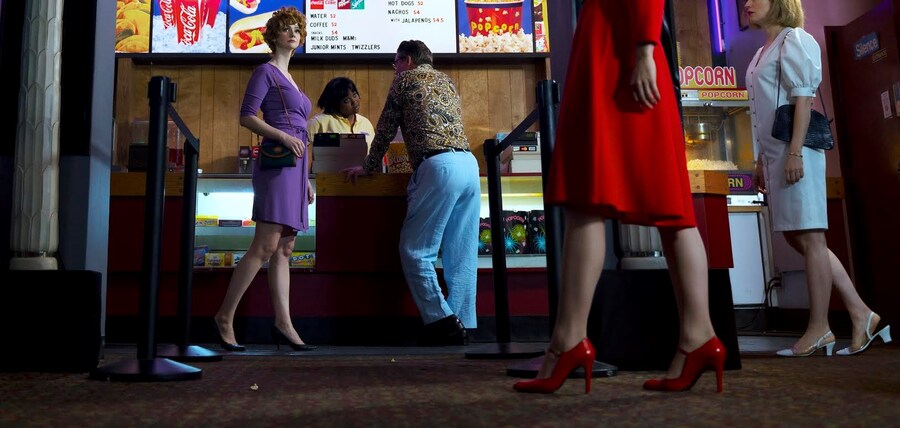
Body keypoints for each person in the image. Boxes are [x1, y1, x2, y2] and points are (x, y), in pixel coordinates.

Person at [512, 0, 725, 394]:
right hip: (615, 48)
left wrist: (643, 49)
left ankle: (569, 340)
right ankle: (697, 337)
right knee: (663, 206)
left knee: (592, 200)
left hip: (617, 52)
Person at [744, 0, 891, 357]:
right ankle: (861, 313)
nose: (747, 4)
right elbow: (763, 111)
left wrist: (795, 152)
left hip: (798, 152)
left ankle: (820, 327)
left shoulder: (795, 39)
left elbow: (803, 100)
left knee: (810, 236)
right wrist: (762, 159)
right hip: (777, 154)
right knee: (799, 236)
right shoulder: (761, 52)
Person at [342, 40, 480, 346]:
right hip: (469, 165)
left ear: (406, 60)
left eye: (395, 63)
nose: (394, 70)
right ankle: (464, 324)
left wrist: (369, 166)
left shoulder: (404, 80)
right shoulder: (446, 80)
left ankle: (442, 321)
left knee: (415, 251)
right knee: (461, 253)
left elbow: (385, 127)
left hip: (439, 166)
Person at [213, 6, 316, 352]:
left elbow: (300, 132)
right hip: (277, 162)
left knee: (285, 246)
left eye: (297, 29)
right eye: (286, 29)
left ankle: (284, 324)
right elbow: (246, 117)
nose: (293, 34)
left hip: (295, 167)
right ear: (273, 36)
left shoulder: (290, 77)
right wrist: (282, 136)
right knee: (266, 245)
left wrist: (306, 180)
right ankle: (225, 317)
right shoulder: (265, 71)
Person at [307, 77, 376, 152]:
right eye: (347, 100)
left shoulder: (366, 123)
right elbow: (300, 143)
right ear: (335, 104)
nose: (354, 101)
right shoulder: (319, 122)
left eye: (354, 95)